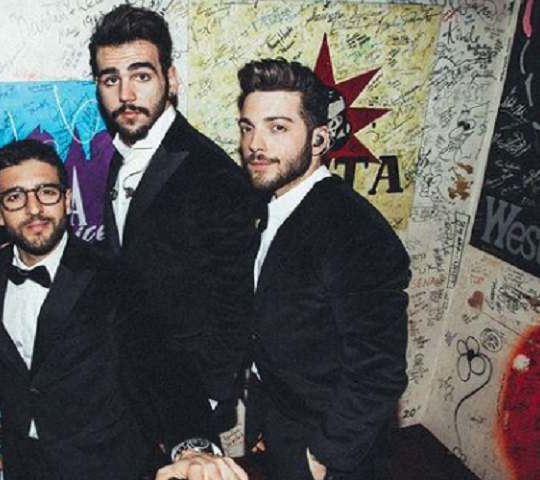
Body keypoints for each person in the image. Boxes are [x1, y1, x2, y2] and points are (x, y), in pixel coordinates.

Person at [89, 3, 259, 470]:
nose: (126, 94)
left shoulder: (212, 173)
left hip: (186, 389)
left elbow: (236, 295)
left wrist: (208, 399)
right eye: (110, 79)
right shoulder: (125, 153)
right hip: (133, 376)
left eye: (141, 75)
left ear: (172, 79)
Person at [237, 58, 411, 480]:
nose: (255, 144)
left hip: (327, 445)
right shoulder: (268, 202)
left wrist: (322, 458)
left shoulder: (355, 231)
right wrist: (264, 423)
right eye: (247, 127)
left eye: (278, 128)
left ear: (319, 139)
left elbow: (379, 371)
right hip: (281, 422)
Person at [0, 139, 144, 480]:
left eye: (46, 192)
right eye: (15, 197)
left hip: (104, 461)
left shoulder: (111, 272)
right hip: (23, 460)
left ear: (67, 200)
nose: (34, 209)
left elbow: (152, 365)